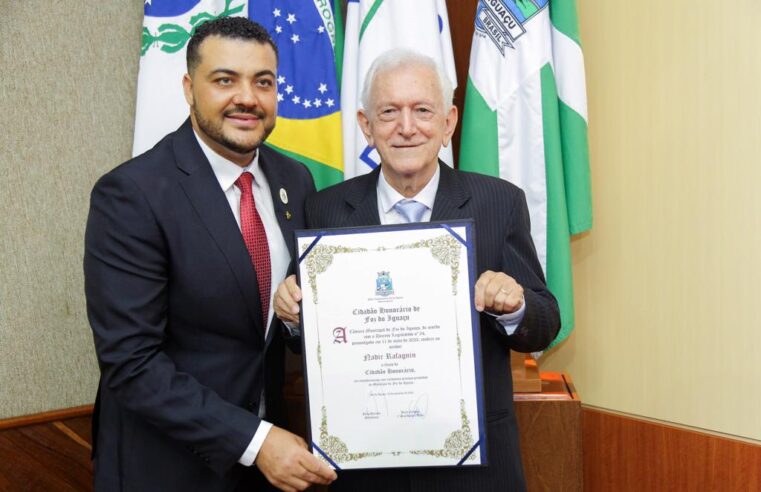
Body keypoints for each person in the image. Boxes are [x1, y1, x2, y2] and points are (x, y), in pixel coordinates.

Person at [274, 49, 561, 491]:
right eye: (389, 112)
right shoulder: (325, 209)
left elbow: (545, 323)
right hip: (363, 469)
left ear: (448, 123)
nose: (406, 127)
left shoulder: (499, 202)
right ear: (366, 126)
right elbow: (305, 341)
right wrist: (292, 315)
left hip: (475, 469)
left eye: (422, 111)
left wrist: (515, 304)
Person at [84, 17, 336, 492]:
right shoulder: (133, 194)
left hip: (267, 469)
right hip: (166, 467)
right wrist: (256, 441)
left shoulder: (295, 180)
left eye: (263, 82)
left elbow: (284, 319)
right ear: (188, 87)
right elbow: (131, 361)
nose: (247, 98)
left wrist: (295, 320)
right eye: (225, 80)